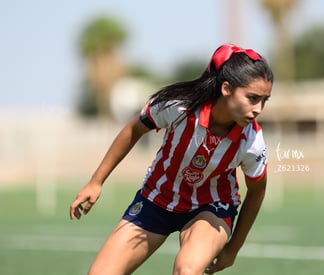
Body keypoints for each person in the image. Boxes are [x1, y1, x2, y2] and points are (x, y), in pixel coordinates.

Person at [69, 43, 274, 275]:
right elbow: (133, 129)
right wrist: (96, 182)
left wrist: (233, 249)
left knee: (186, 270)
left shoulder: (252, 140)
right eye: (253, 98)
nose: (259, 108)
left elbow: (257, 191)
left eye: (264, 100)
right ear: (226, 88)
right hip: (156, 199)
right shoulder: (179, 107)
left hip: (210, 206)